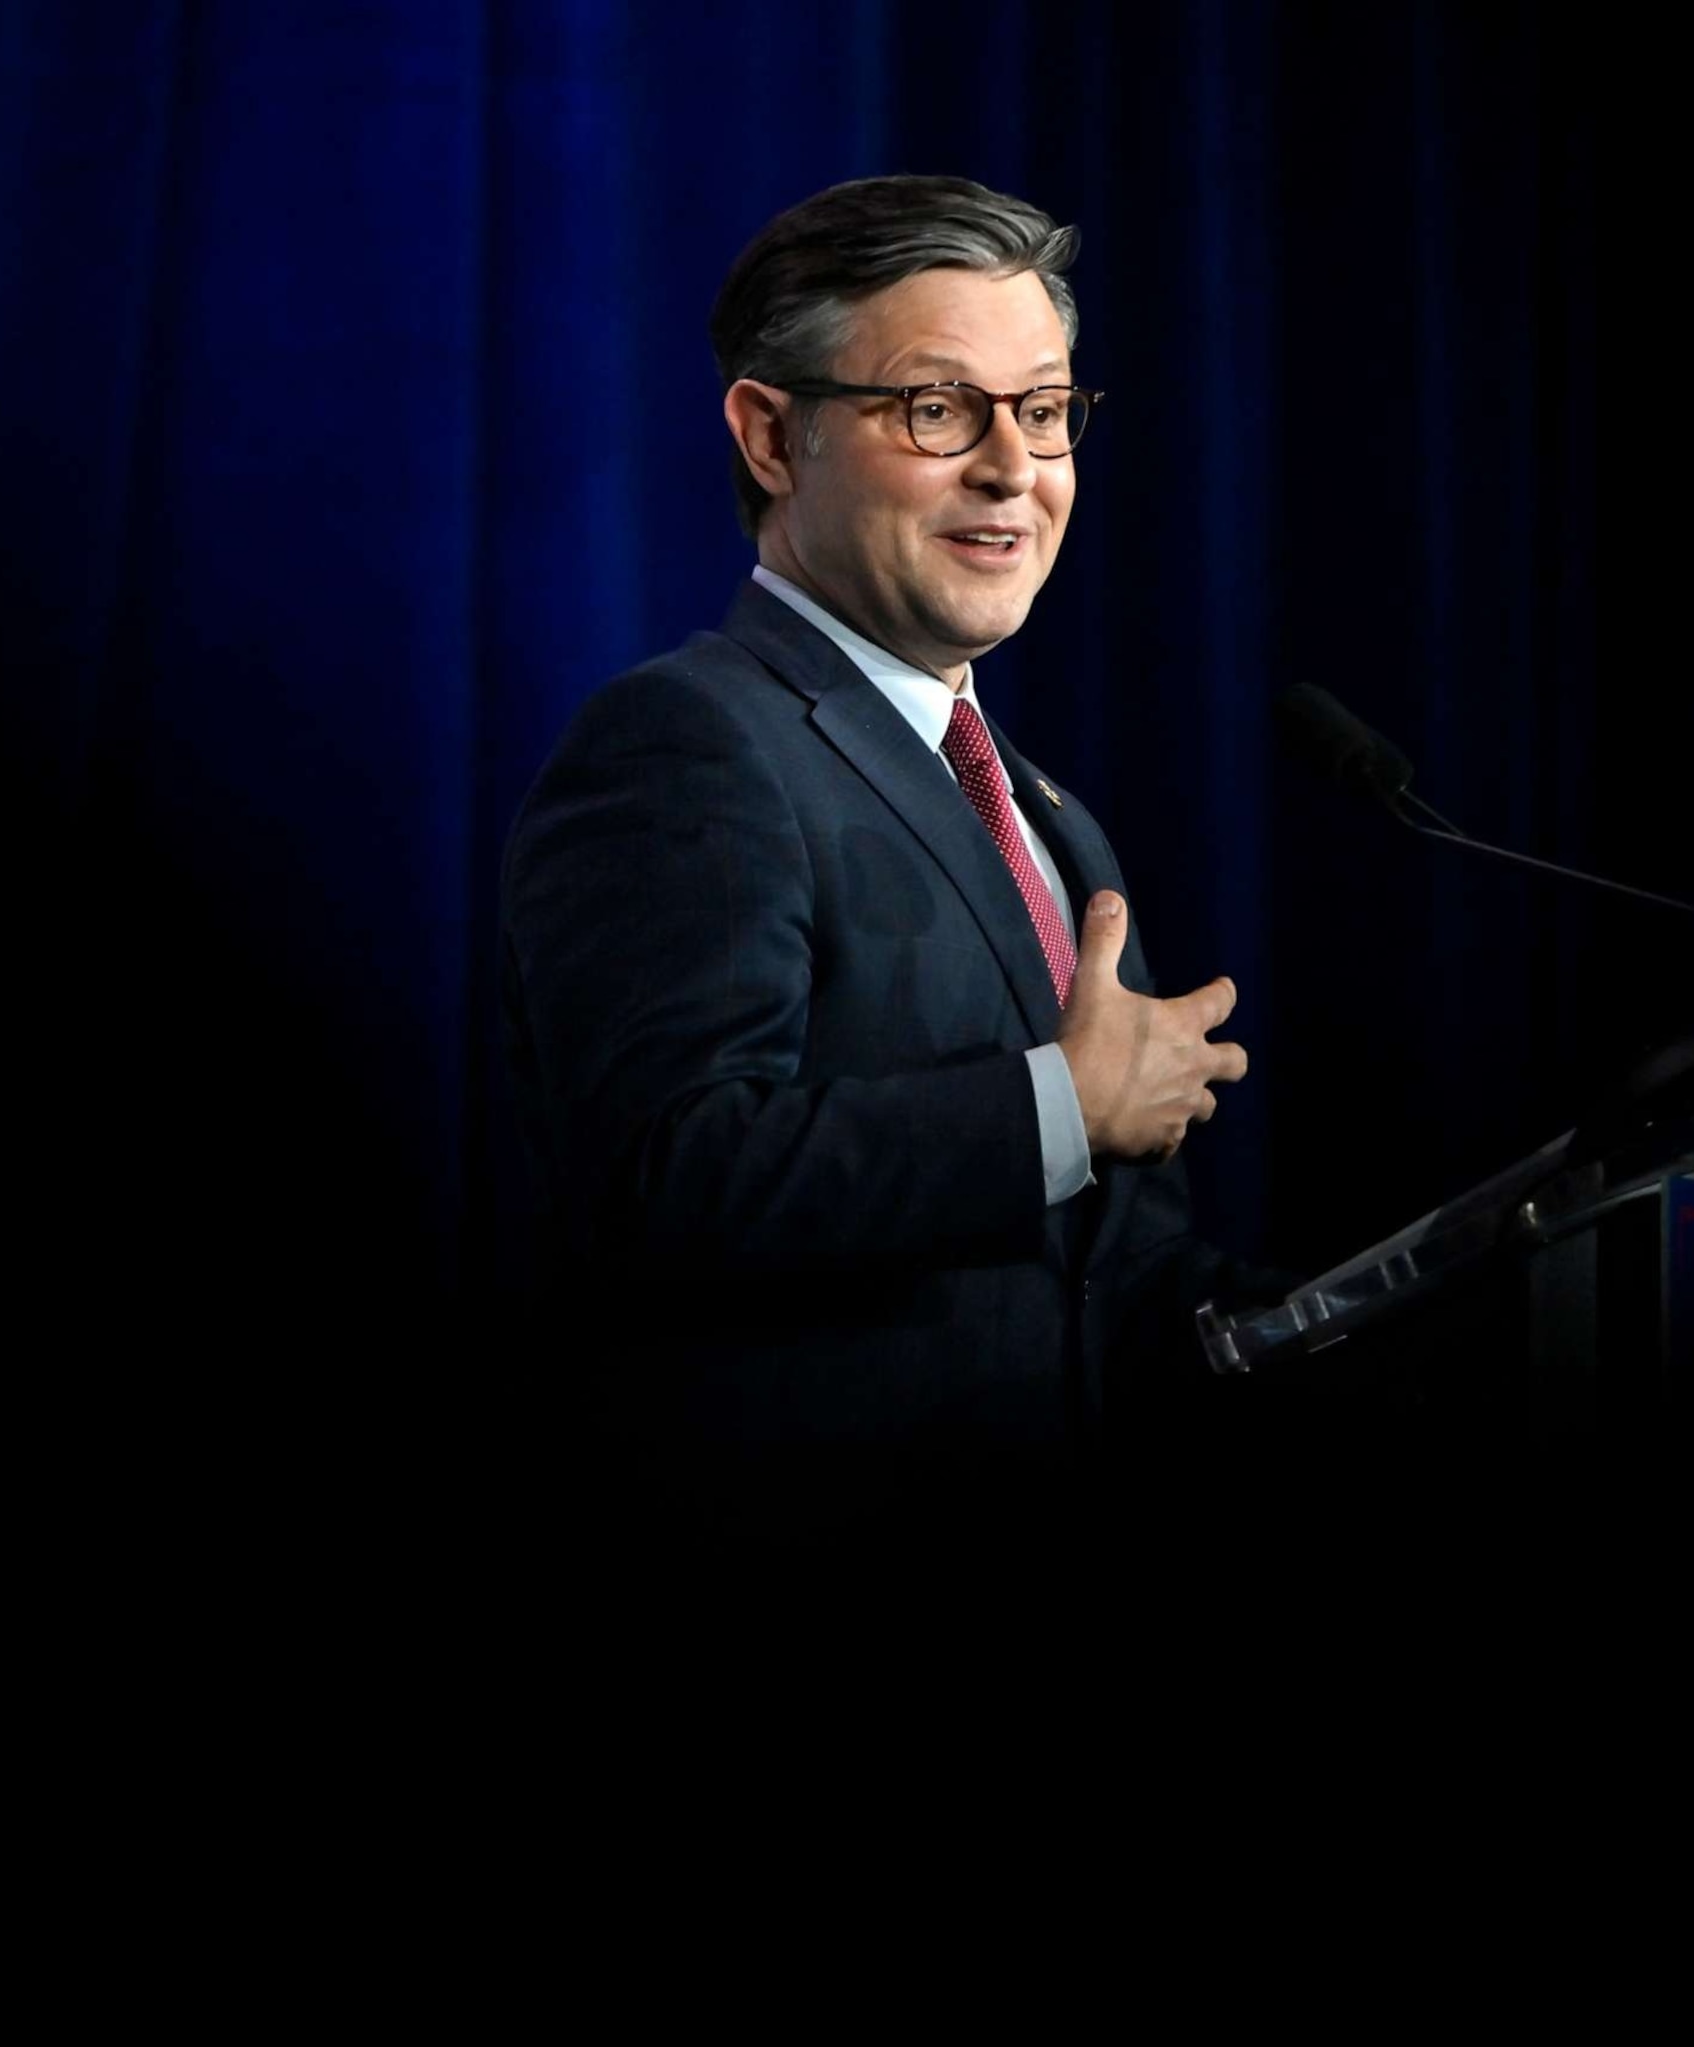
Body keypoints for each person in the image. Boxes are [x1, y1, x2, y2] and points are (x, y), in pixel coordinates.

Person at [500, 174, 1273, 1553]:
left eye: (1043, 411)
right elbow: (668, 1177)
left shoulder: (1047, 814)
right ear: (772, 436)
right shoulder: (691, 741)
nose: (1011, 469)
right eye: (936, 407)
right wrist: (1058, 1109)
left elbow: (1106, 1276)